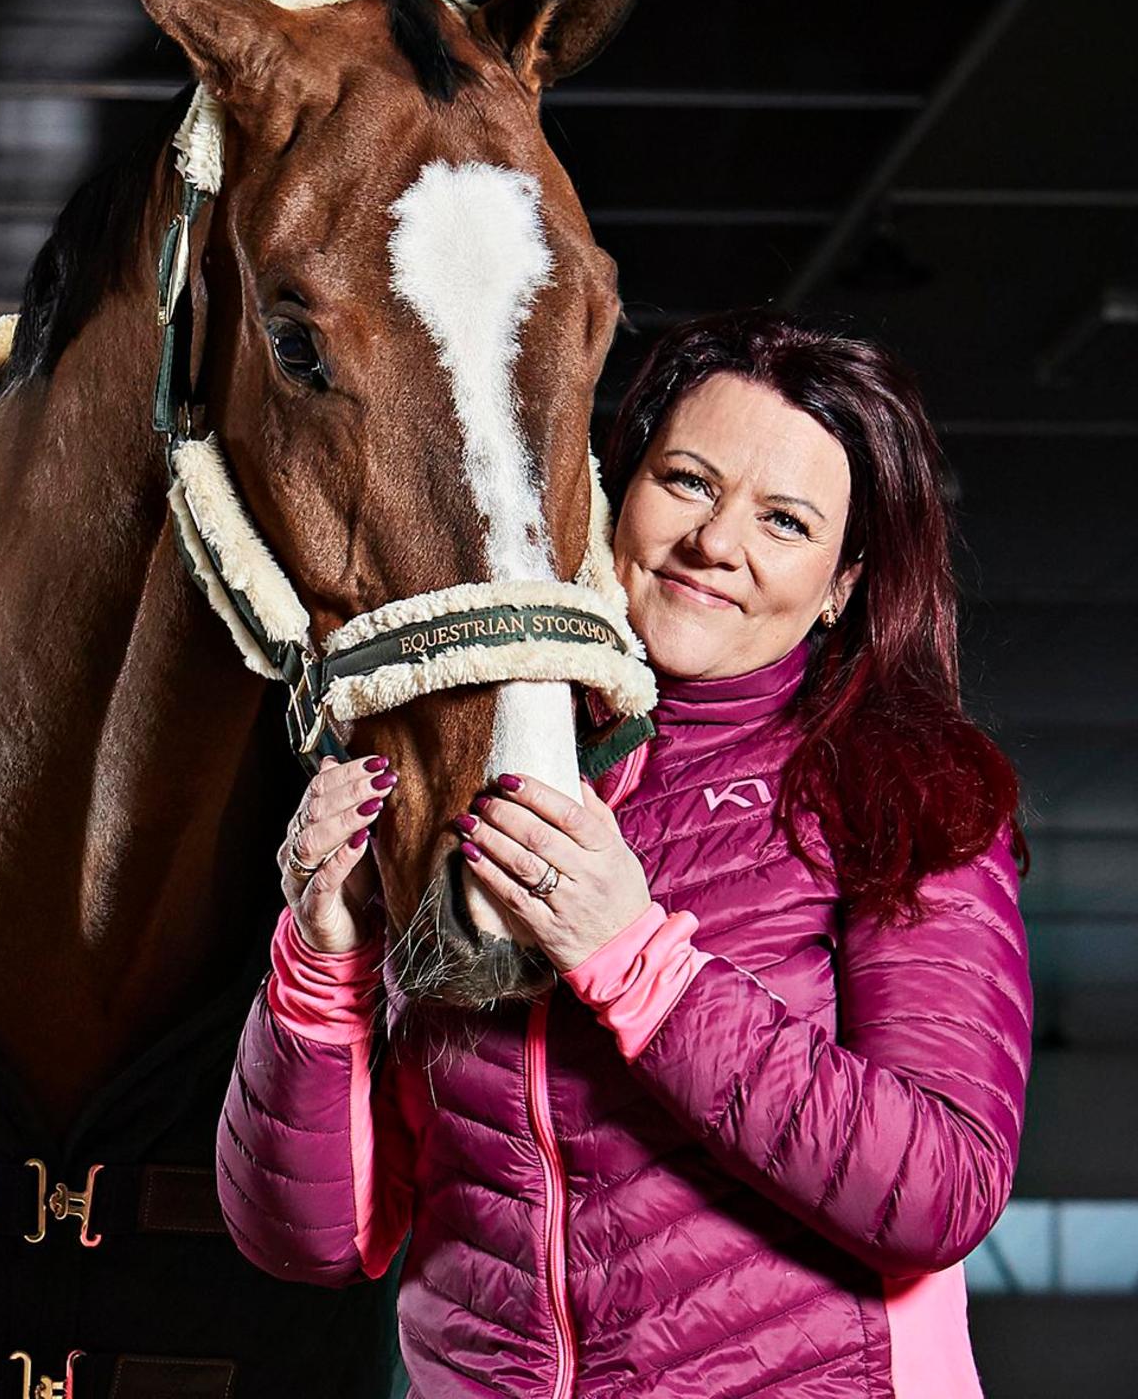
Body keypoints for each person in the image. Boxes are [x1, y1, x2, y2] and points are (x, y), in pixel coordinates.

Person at [215, 308, 1033, 1398]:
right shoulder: (468, 770)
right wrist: (323, 960)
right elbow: (311, 1240)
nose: (717, 543)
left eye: (785, 521)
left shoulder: (901, 796)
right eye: (688, 481)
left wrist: (632, 953)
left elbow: (940, 1186)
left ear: (843, 582)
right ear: (610, 494)